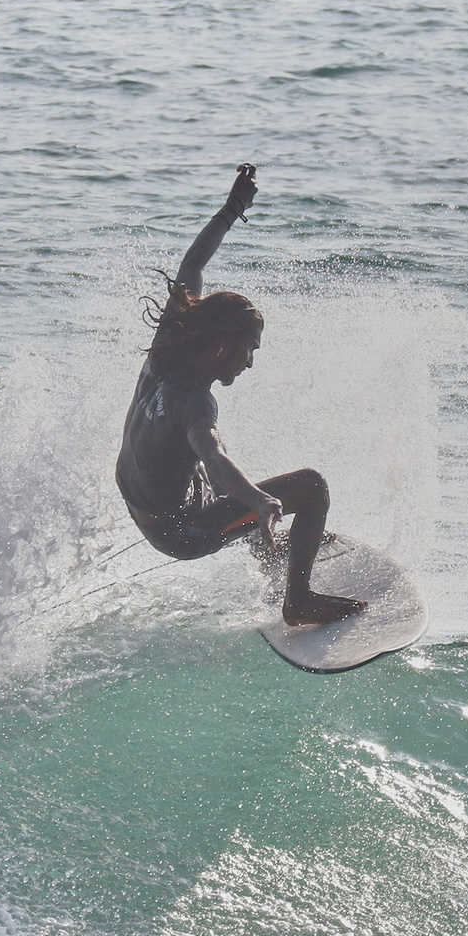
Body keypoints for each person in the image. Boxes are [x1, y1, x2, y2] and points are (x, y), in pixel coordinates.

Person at [115, 164, 366, 627]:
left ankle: (262, 539)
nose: (250, 362)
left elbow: (192, 266)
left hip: (142, 500)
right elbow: (212, 453)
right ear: (221, 345)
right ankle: (299, 601)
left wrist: (234, 209)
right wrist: (259, 500)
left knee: (212, 476)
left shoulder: (169, 345)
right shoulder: (196, 402)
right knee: (310, 487)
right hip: (181, 532)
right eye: (248, 350)